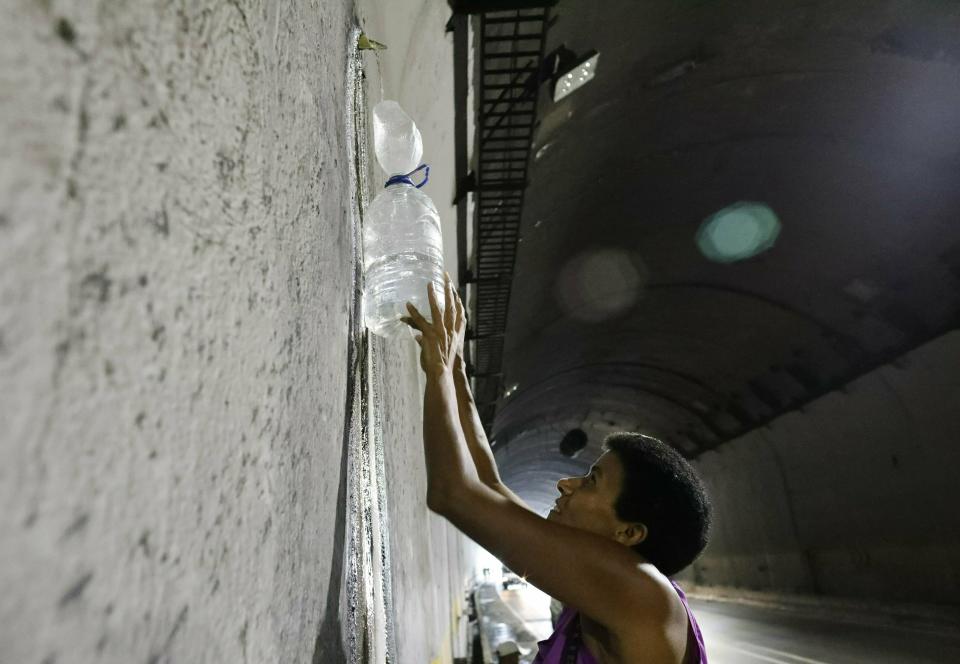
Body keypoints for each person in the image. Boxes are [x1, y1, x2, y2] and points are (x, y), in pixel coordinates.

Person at [401, 273, 711, 664]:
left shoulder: (643, 595)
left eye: (591, 481)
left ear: (629, 532)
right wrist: (457, 371)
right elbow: (490, 486)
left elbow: (453, 493)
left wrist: (437, 373)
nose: (566, 483)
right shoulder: (601, 589)